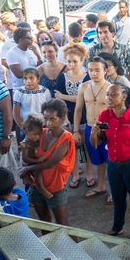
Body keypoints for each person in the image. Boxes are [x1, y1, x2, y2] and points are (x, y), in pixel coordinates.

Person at [91, 83, 130, 240]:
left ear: (124, 96)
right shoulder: (104, 115)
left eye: (113, 94)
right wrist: (94, 133)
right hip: (113, 165)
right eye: (107, 94)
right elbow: (95, 142)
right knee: (117, 198)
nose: (109, 98)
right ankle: (117, 227)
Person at [19, 99, 76, 232]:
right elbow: (25, 147)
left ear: (61, 119)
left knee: (63, 224)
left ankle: (74, 252)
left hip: (55, 187)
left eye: (52, 119)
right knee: (45, 224)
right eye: (45, 118)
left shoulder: (66, 138)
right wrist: (25, 174)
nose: (48, 123)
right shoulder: (41, 132)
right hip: (37, 186)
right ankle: (50, 251)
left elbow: (51, 163)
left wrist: (26, 169)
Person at [54, 44, 92, 188]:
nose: (71, 64)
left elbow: (83, 98)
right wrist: (65, 118)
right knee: (72, 148)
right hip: (67, 117)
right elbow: (57, 100)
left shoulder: (88, 77)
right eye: (69, 61)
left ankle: (89, 175)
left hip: (85, 117)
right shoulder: (62, 77)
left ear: (82, 60)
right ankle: (75, 174)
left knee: (87, 147)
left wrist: (63, 95)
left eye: (75, 61)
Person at [73, 56, 110, 201]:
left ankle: (114, 190)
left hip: (106, 130)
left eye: (97, 70)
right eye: (90, 70)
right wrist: (76, 130)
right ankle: (101, 185)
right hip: (89, 128)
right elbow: (78, 109)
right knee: (98, 160)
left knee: (111, 161)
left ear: (105, 71)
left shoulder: (110, 88)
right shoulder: (84, 86)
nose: (94, 73)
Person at [13, 67, 51, 135]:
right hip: (25, 126)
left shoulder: (45, 91)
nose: (28, 81)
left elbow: (48, 111)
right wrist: (24, 129)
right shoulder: (19, 92)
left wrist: (46, 126)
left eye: (31, 78)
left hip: (42, 126)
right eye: (25, 78)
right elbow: (15, 114)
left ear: (38, 79)